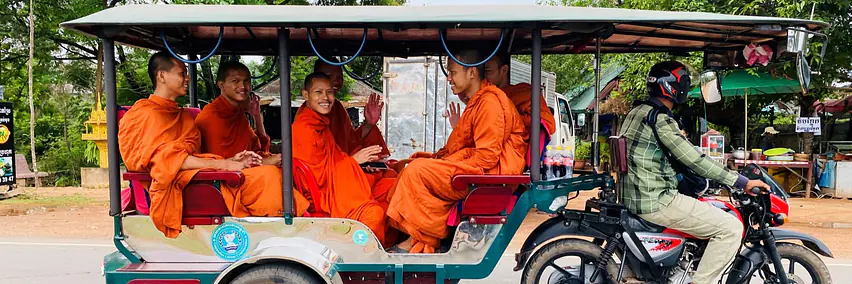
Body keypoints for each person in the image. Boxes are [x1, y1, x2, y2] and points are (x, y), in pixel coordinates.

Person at [119, 51, 310, 238]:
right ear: (162, 75)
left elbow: (196, 154)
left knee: (278, 172)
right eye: (182, 73)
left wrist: (231, 159)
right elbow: (164, 161)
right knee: (268, 176)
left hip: (200, 175)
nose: (188, 78)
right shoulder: (141, 115)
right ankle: (287, 230)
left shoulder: (184, 116)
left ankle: (295, 222)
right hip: (185, 185)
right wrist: (225, 164)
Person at [618, 61, 769, 284]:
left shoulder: (639, 111)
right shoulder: (659, 119)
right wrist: (739, 181)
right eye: (685, 84)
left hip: (637, 195)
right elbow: (694, 159)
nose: (686, 90)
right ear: (671, 87)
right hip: (656, 200)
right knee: (730, 228)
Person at [386, 50, 526, 254]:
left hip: (489, 176)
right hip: (477, 168)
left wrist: (450, 163)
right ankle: (410, 233)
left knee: (416, 172)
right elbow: (464, 145)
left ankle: (421, 240)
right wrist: (445, 160)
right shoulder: (478, 101)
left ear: (471, 73)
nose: (449, 78)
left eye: (452, 72)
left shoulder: (490, 102)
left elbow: (486, 158)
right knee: (408, 165)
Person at [292, 72, 395, 247]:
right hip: (325, 195)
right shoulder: (304, 128)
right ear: (305, 95)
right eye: (318, 92)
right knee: (375, 213)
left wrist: (359, 164)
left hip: (340, 183)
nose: (326, 97)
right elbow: (317, 179)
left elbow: (337, 156)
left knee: (391, 186)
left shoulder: (320, 122)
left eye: (330, 92)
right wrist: (353, 161)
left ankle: (395, 246)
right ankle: (364, 259)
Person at [310, 60, 397, 204]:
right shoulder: (308, 121)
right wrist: (354, 162)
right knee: (387, 194)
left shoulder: (336, 107)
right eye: (329, 75)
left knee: (391, 175)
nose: (336, 80)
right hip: (332, 184)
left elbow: (350, 141)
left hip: (347, 170)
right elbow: (317, 171)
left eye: (339, 76)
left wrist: (369, 123)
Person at [195, 61, 279, 165]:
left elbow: (260, 148)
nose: (242, 86)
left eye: (246, 81)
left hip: (247, 168)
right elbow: (225, 163)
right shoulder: (209, 117)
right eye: (235, 81)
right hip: (228, 176)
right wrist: (267, 161)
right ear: (221, 85)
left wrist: (257, 116)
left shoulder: (237, 112)